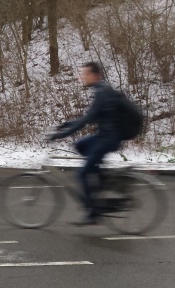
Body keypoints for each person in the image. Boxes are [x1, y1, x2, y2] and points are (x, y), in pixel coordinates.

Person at [48, 62, 126, 226]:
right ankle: (100, 174)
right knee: (80, 145)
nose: (82, 77)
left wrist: (62, 134)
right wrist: (67, 124)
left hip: (109, 139)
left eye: (86, 74)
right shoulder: (101, 90)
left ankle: (93, 213)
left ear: (96, 75)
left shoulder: (102, 93)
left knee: (82, 174)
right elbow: (88, 117)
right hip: (104, 136)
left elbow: (86, 120)